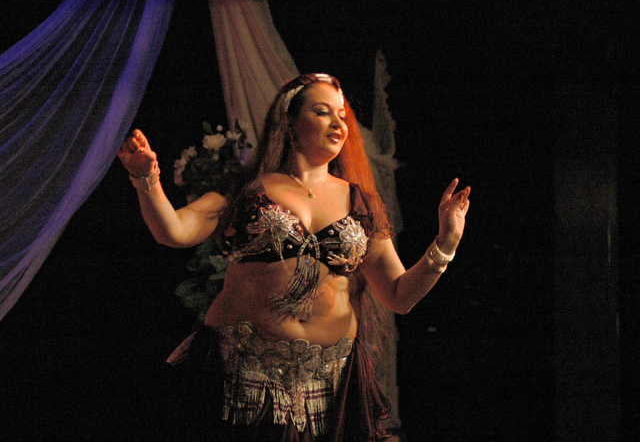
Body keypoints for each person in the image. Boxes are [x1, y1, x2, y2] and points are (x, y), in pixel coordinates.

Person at [117, 73, 470, 441]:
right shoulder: (247, 190)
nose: (338, 123)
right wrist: (147, 179)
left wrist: (446, 243)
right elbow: (173, 231)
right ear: (288, 123)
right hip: (245, 380)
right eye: (322, 112)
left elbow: (399, 295)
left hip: (331, 387)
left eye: (342, 116)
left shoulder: (361, 202)